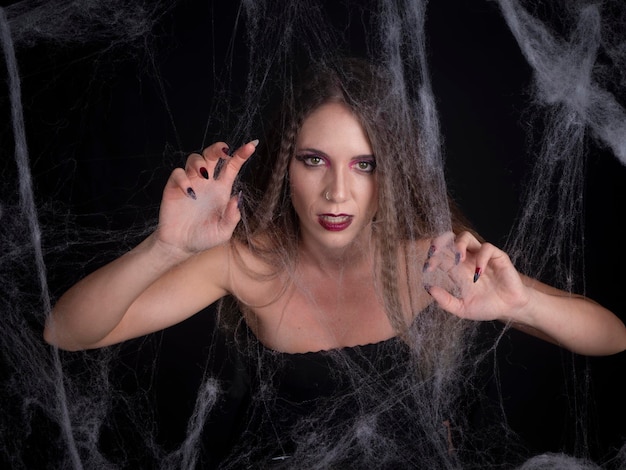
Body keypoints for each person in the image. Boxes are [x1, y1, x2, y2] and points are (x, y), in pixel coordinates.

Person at [44, 57, 626, 467]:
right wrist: (165, 249)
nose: (338, 193)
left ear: (389, 171)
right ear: (283, 167)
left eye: (364, 164)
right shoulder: (246, 264)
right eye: (315, 160)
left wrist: (522, 304)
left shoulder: (434, 257)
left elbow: (613, 335)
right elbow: (66, 332)